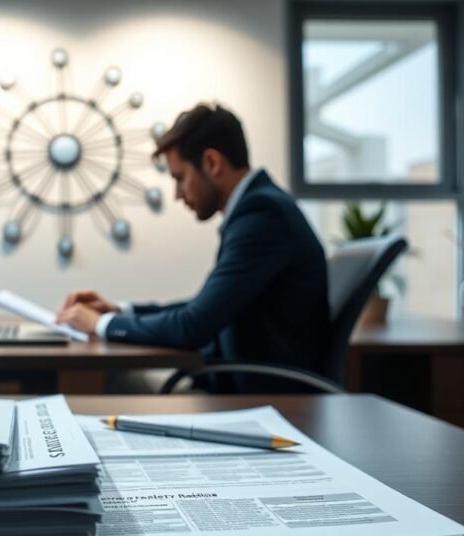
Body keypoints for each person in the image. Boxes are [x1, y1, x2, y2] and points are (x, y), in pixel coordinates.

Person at [56, 103, 330, 393]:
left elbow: (193, 325)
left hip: (266, 395)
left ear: (212, 162)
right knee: (121, 380)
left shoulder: (263, 215)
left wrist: (103, 324)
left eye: (179, 178)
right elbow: (203, 307)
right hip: (241, 380)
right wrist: (120, 311)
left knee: (115, 383)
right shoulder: (259, 208)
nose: (177, 194)